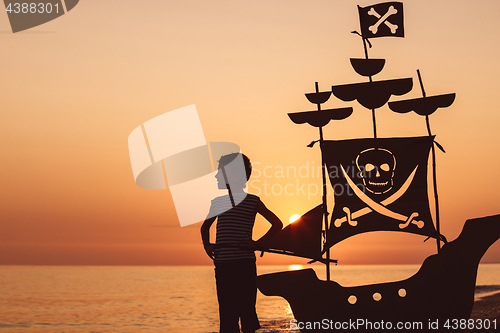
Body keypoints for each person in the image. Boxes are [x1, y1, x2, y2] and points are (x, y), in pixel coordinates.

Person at [201, 153, 283, 333]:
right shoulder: (218, 203)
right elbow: (204, 228)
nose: (216, 176)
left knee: (246, 310)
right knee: (227, 313)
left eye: (220, 172)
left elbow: (277, 224)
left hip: (244, 264)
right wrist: (207, 245)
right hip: (223, 266)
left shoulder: (253, 201)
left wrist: (259, 244)